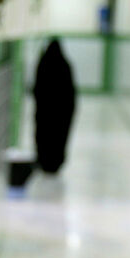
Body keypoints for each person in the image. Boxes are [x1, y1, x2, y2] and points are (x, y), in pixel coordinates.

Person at [32, 38, 78, 174]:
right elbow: (71, 92)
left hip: (45, 112)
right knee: (59, 138)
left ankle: (44, 161)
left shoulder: (43, 64)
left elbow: (37, 89)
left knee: (43, 136)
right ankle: (56, 162)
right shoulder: (66, 65)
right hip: (62, 113)